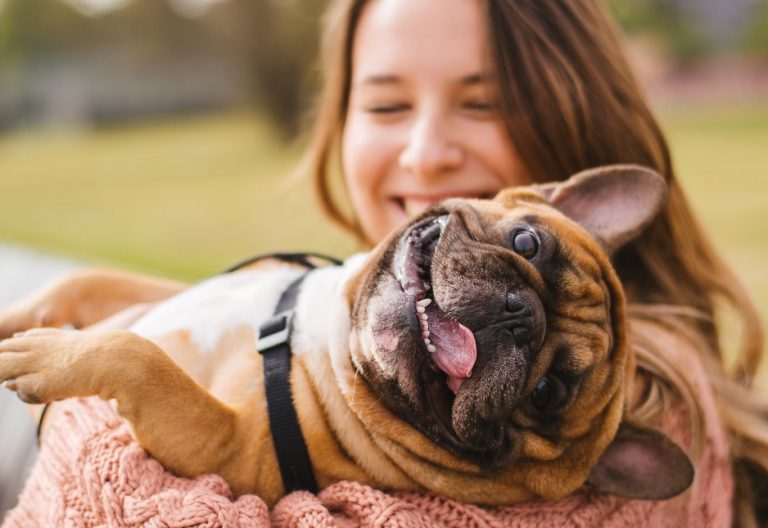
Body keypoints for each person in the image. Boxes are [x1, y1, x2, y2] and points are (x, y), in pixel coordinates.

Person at [1, 0, 766, 526]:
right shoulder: (353, 308)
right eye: (387, 105)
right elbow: (216, 319)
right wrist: (92, 300)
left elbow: (100, 502)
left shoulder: (655, 408)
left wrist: (96, 390)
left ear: (577, 117)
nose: (426, 153)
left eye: (481, 103)